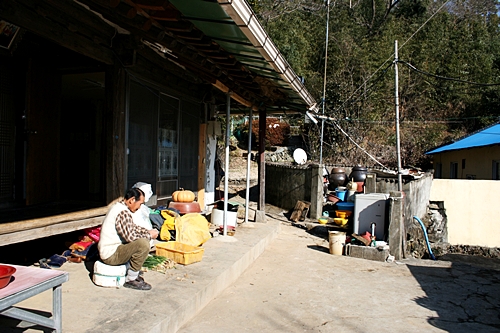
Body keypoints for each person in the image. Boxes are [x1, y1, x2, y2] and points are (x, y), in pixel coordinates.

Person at [98, 188, 159, 290]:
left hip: (113, 250)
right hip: (110, 254)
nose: (139, 207)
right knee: (143, 244)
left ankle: (132, 272)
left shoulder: (120, 207)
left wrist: (147, 231)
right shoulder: (122, 212)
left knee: (143, 240)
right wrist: (149, 236)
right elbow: (131, 237)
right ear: (131, 200)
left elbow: (133, 228)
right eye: (140, 204)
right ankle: (131, 279)